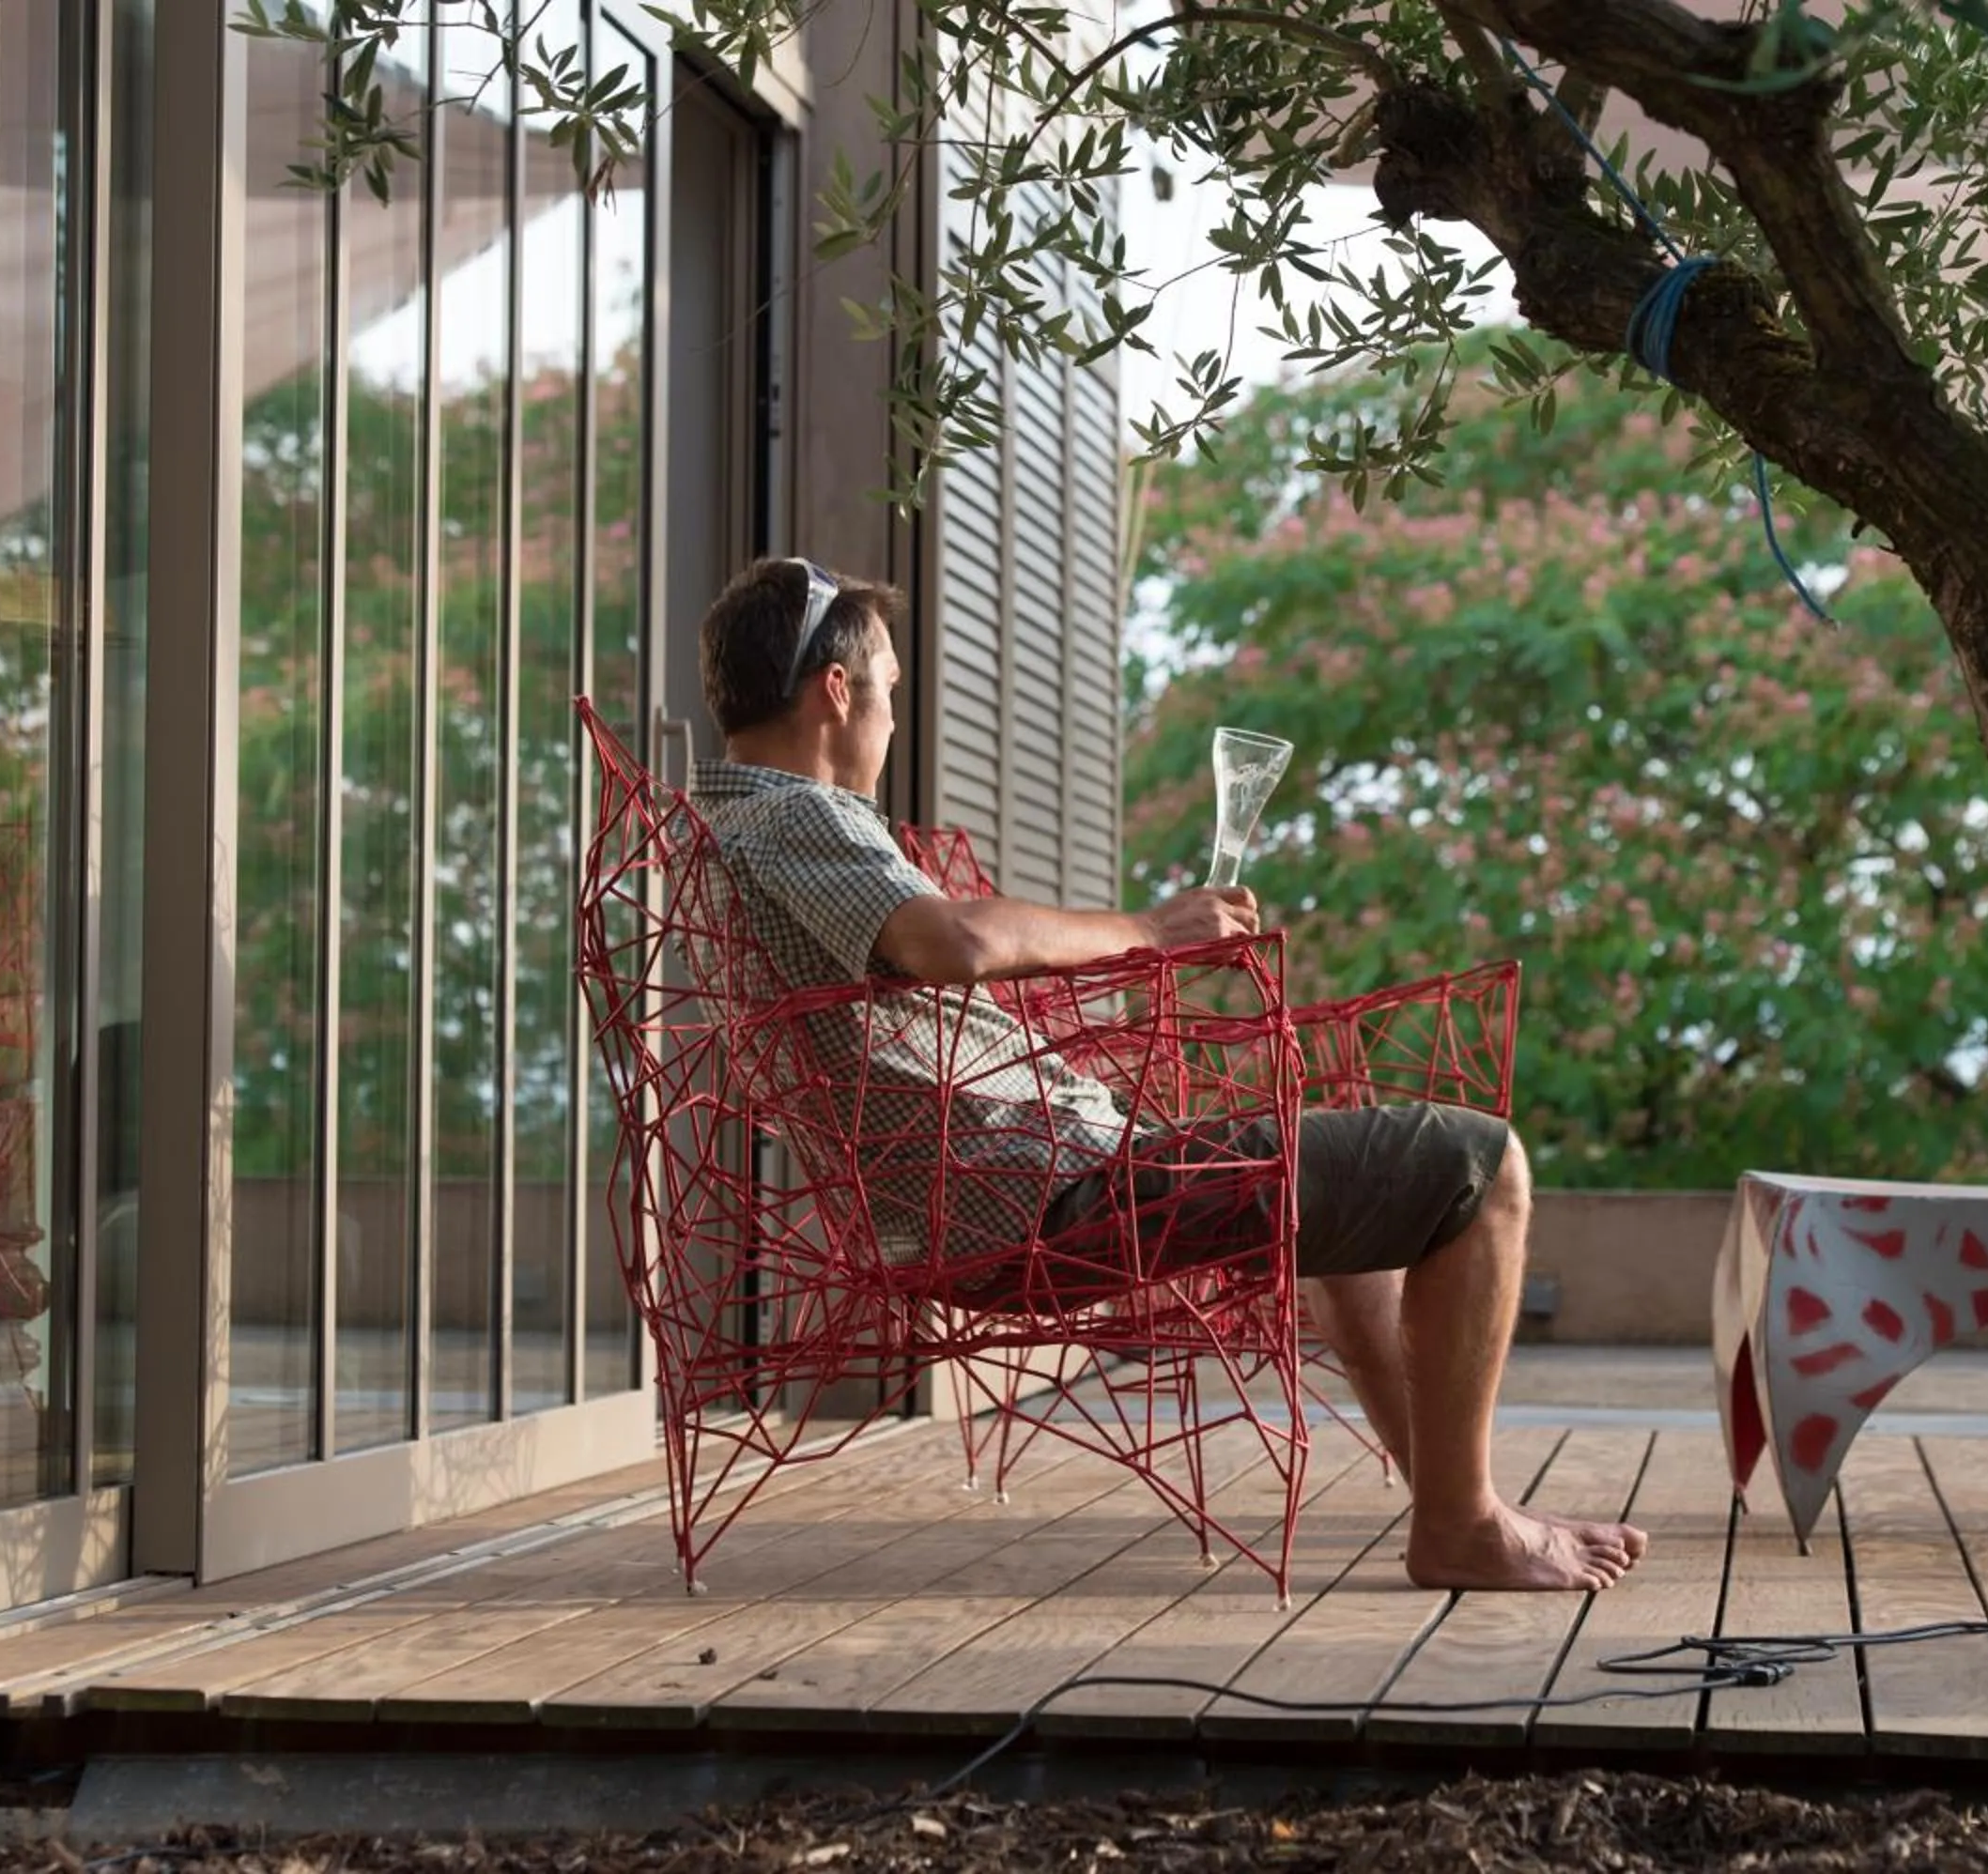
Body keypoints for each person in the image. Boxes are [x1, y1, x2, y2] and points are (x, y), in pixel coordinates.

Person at [683, 556, 1648, 1593]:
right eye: (891, 694)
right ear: (837, 691)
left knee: (1371, 1198)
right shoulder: (791, 817)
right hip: (1046, 1203)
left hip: (1014, 1190)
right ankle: (1461, 1528)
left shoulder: (736, 831)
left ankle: (1460, 1507)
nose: (889, 724)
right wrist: (1149, 928)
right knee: (1481, 1163)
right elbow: (950, 940)